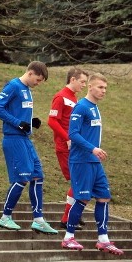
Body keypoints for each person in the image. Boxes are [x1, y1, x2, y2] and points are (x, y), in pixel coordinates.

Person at [0, 61, 57, 234]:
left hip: (25, 138)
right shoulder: (13, 86)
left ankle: (38, 219)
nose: (38, 83)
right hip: (13, 139)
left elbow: (18, 112)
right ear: (30, 73)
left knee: (37, 175)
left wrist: (30, 122)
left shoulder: (27, 90)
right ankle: (5, 217)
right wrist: (17, 123)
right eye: (38, 79)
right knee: (22, 177)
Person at [61, 73, 123, 255]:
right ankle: (68, 237)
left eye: (105, 88)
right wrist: (92, 149)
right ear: (90, 87)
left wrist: (95, 152)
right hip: (81, 160)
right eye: (100, 87)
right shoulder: (81, 107)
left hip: (94, 162)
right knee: (82, 198)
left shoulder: (95, 108)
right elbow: (73, 134)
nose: (104, 91)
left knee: (104, 196)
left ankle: (103, 239)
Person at [47, 68, 88, 229]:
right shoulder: (61, 96)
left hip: (75, 147)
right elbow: (52, 121)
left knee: (81, 180)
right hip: (65, 147)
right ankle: (67, 218)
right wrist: (68, 138)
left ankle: (74, 214)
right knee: (78, 180)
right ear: (72, 79)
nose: (84, 85)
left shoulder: (74, 98)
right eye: (82, 81)